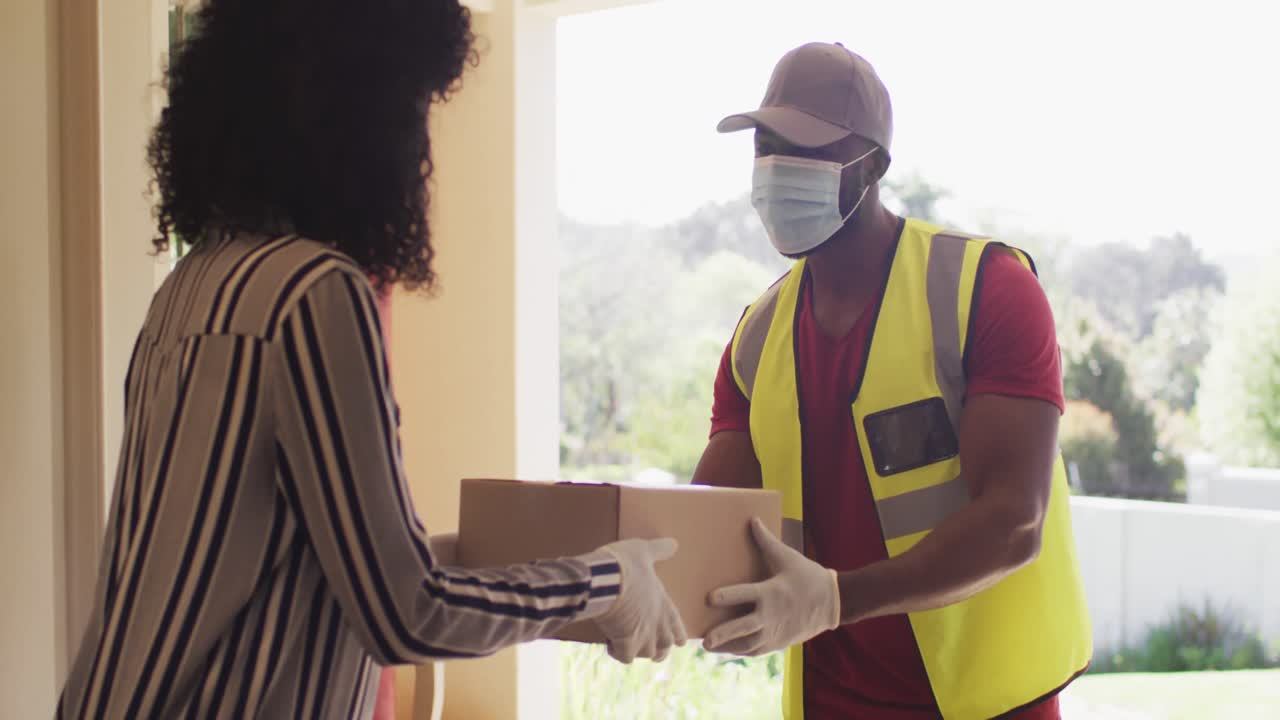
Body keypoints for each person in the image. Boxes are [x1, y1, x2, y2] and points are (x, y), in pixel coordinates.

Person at [56, 2, 684, 718]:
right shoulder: (313, 296)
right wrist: (603, 584)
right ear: (361, 113)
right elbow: (401, 613)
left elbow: (290, 557)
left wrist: (479, 557)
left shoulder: (189, 288)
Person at [693, 43, 1092, 719]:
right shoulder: (756, 340)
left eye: (809, 145)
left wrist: (838, 598)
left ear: (873, 164)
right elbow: (707, 521)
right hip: (830, 703)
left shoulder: (986, 293)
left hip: (988, 706)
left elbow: (1014, 522)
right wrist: (621, 573)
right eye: (766, 144)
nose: (778, 166)